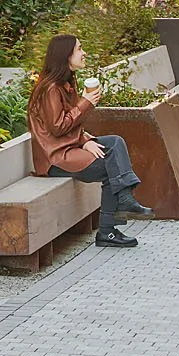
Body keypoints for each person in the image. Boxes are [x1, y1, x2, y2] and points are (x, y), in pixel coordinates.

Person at [26, 34, 150, 248]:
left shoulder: (65, 84)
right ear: (66, 55)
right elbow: (58, 127)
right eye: (79, 49)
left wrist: (84, 141)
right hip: (55, 159)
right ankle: (110, 226)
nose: (84, 53)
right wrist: (85, 103)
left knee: (115, 142)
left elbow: (70, 126)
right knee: (112, 166)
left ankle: (123, 200)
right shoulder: (50, 89)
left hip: (68, 150)